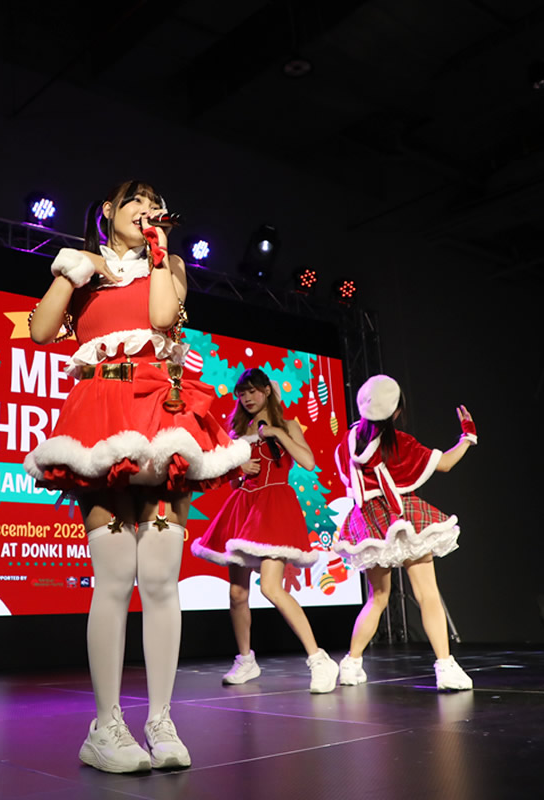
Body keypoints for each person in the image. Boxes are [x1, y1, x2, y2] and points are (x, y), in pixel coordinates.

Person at [25, 180, 250, 773]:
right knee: (115, 576)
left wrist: (158, 252)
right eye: (136, 203)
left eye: (156, 206)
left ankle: (160, 720)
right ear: (108, 211)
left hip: (159, 411)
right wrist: (71, 272)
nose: (148, 212)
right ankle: (105, 727)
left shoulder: (167, 264)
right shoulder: (83, 268)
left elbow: (161, 317)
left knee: (160, 578)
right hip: (101, 414)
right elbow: (41, 331)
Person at [191, 367, 340, 693]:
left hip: (274, 506)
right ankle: (246, 660)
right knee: (237, 593)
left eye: (253, 391)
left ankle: (319, 659)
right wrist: (238, 468)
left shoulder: (287, 425)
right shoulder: (236, 432)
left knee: (271, 588)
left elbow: (308, 462)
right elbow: (231, 480)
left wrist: (277, 434)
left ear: (267, 391)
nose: (247, 398)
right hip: (244, 507)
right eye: (242, 393)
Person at [331, 374, 476, 691]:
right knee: (428, 594)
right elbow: (445, 463)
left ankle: (352, 663)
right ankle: (445, 667)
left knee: (378, 598)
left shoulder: (348, 441)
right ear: (396, 411)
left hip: (368, 520)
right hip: (401, 517)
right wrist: (467, 437)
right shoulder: (399, 443)